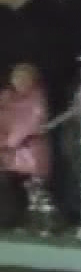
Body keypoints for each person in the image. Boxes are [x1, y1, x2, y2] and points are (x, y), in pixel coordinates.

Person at [0, 62, 53, 234]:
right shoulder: (5, 99)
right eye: (17, 78)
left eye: (25, 78)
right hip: (8, 155)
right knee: (10, 188)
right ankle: (11, 220)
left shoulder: (37, 100)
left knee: (35, 191)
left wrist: (11, 142)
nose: (20, 82)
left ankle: (39, 224)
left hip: (30, 153)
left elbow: (34, 123)